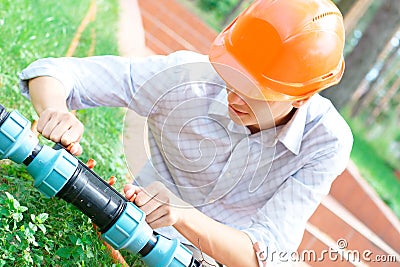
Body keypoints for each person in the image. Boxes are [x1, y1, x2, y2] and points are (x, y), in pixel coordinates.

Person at [19, 0, 353, 266]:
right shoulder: (186, 79)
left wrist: (182, 216)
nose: (234, 98)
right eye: (232, 76)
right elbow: (56, 72)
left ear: (302, 97)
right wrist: (56, 110)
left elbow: (266, 254)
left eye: (256, 92)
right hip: (142, 232)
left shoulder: (326, 142)